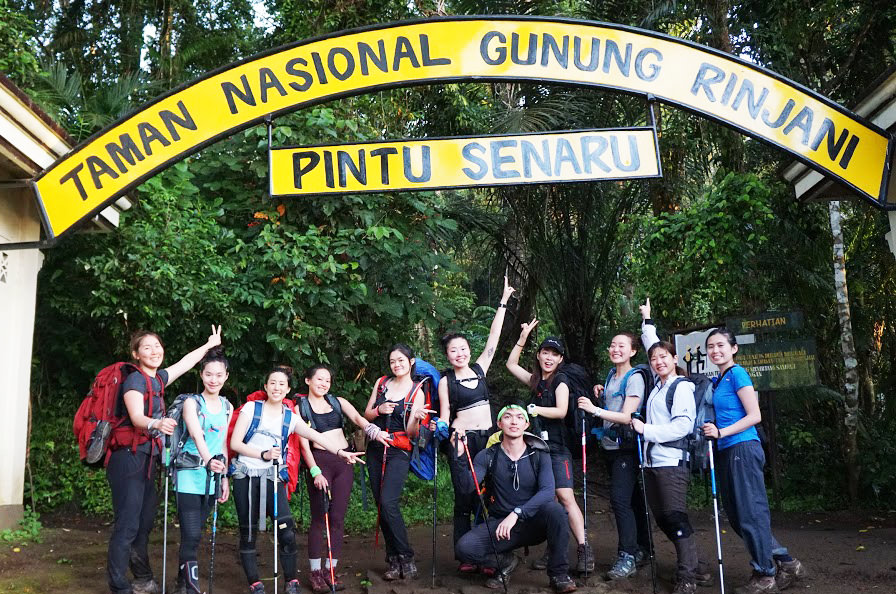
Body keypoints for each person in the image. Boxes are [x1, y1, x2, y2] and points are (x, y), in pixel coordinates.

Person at [106, 326, 223, 594]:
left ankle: (143, 579)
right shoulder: (134, 381)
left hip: (147, 459)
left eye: (157, 346)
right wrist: (156, 423)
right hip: (127, 458)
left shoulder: (157, 380)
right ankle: (119, 585)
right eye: (146, 347)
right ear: (136, 354)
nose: (154, 351)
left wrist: (209, 345)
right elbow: (136, 416)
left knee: (144, 523)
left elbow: (184, 363)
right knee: (128, 524)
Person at [230, 366, 364, 594]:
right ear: (265, 386)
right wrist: (262, 454)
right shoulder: (251, 409)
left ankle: (291, 581)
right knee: (249, 531)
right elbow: (235, 443)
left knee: (286, 531)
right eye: (273, 383)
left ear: (288, 389)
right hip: (246, 476)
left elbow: (315, 435)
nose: (277, 388)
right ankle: (255, 582)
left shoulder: (290, 417)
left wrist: (341, 453)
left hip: (273, 477)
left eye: (282, 384)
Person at [701, 327, 807, 594]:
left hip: (743, 447)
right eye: (711, 346)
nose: (715, 350)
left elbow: (754, 415)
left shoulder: (738, 374)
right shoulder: (719, 380)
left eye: (720, 345)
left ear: (734, 348)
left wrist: (721, 432)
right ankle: (786, 562)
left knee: (751, 513)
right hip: (727, 450)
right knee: (738, 516)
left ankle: (765, 574)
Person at [436, 276, 515, 572]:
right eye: (454, 350)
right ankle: (465, 555)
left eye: (463, 348)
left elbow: (493, 339)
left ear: (470, 349)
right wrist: (443, 429)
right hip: (463, 441)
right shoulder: (446, 380)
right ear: (447, 355)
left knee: (489, 495)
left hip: (490, 440)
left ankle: (485, 553)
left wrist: (503, 302)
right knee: (465, 496)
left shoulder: (480, 370)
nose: (460, 353)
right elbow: (445, 414)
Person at [455, 404, 577, 593]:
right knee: (464, 549)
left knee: (556, 511)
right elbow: (467, 487)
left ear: (526, 425)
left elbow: (547, 492)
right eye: (508, 417)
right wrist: (460, 457)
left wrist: (517, 513)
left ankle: (559, 575)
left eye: (520, 417)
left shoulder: (539, 454)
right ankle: (506, 561)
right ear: (499, 424)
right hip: (501, 526)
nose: (514, 421)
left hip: (534, 523)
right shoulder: (487, 455)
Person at [506, 321, 593, 574]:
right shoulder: (536, 381)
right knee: (550, 501)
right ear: (539, 355)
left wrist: (534, 409)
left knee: (565, 497)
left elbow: (561, 410)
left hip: (557, 448)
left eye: (555, 354)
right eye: (545, 352)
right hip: (537, 449)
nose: (549, 358)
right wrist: (523, 337)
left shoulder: (560, 380)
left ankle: (584, 549)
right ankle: (555, 550)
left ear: (560, 359)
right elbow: (511, 365)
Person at [633, 301, 707, 594]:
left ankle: (687, 577)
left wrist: (645, 429)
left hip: (671, 461)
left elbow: (682, 427)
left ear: (675, 359)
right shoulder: (659, 385)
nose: (658, 362)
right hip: (652, 462)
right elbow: (652, 344)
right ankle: (697, 566)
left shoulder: (682, 387)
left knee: (675, 517)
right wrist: (647, 320)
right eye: (654, 359)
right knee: (664, 518)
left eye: (664, 357)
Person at [297, 364, 390, 593]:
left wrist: (374, 432)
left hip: (344, 461)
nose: (324, 384)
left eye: (327, 380)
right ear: (308, 380)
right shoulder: (300, 408)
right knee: (320, 518)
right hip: (320, 461)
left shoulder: (337, 402)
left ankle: (331, 570)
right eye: (319, 379)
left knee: (337, 518)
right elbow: (304, 444)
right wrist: (314, 471)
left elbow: (358, 418)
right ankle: (315, 572)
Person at [576, 332, 651, 580]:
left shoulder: (634, 378)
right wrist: (601, 393)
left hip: (626, 449)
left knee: (620, 501)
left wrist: (594, 409)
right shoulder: (611, 376)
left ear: (633, 351)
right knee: (632, 499)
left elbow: (627, 416)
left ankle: (627, 555)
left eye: (621, 346)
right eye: (612, 345)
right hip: (611, 446)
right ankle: (643, 549)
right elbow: (613, 406)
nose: (615, 349)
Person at [363, 344, 427, 580]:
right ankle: (393, 560)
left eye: (401, 360)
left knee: (388, 502)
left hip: (399, 451)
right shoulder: (382, 383)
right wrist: (379, 409)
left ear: (411, 362)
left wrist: (417, 419)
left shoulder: (417, 391)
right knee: (381, 506)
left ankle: (406, 557)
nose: (396, 365)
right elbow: (367, 414)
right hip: (375, 449)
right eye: (392, 361)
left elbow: (411, 433)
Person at [173, 346, 233, 594]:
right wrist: (208, 460)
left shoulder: (227, 406)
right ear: (201, 374)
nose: (213, 380)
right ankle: (192, 588)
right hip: (189, 474)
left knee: (193, 534)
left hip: (212, 478)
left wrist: (225, 477)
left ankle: (181, 584)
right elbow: (197, 435)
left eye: (218, 375)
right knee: (192, 535)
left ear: (226, 376)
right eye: (209, 374)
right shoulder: (192, 403)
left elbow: (223, 444)